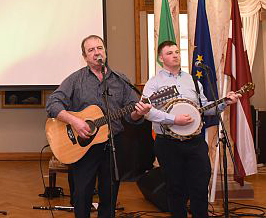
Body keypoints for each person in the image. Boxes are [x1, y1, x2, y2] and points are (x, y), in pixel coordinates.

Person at [46, 34, 150, 218]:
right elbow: (52, 103)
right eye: (91, 50)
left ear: (105, 51)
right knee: (82, 194)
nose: (96, 53)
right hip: (83, 147)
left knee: (109, 195)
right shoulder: (75, 80)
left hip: (113, 145)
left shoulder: (120, 80)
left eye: (99, 48)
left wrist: (139, 112)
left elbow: (133, 116)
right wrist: (75, 121)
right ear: (85, 57)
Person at [142, 40, 241, 218]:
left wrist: (223, 102)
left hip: (195, 142)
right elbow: (148, 112)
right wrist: (174, 119)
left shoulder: (192, 80)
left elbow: (204, 107)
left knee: (200, 184)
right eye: (170, 52)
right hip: (168, 143)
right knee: (176, 187)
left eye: (177, 51)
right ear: (161, 58)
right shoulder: (154, 83)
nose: (175, 55)